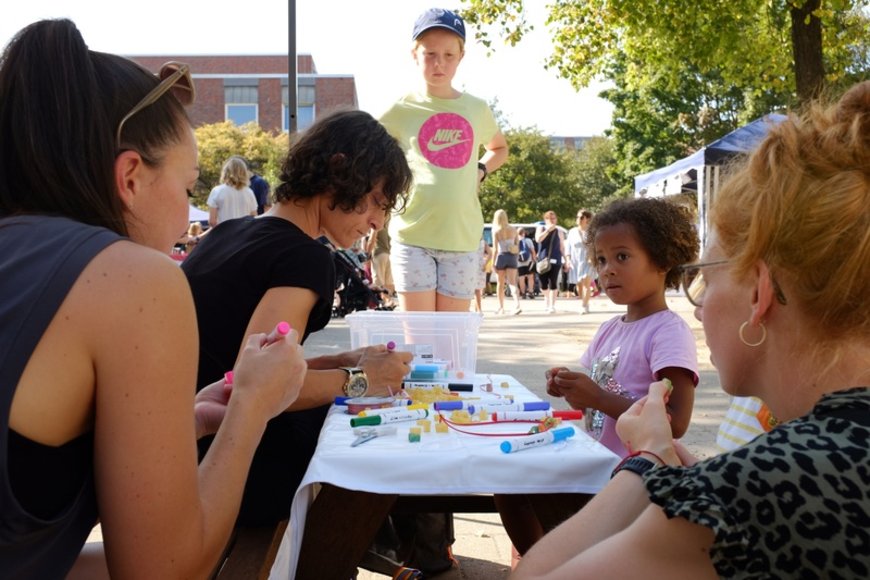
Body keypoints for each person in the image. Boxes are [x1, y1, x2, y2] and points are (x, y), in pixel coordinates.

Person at [513, 82, 870, 579]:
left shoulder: (764, 482)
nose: (698, 309)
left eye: (707, 278)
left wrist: (648, 463)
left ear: (759, 293)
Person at [0, 19, 305, 578]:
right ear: (131, 176)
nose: (188, 211)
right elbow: (164, 571)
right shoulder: (133, 279)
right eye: (188, 187)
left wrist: (178, 424)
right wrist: (251, 409)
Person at [182, 109, 414, 526]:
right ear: (339, 171)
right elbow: (251, 385)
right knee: (379, 435)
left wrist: (336, 362)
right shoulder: (304, 258)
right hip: (228, 466)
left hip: (182, 443)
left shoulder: (227, 233)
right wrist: (364, 380)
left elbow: (232, 360)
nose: (377, 220)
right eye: (376, 202)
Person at [547, 197, 699, 458]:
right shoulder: (608, 329)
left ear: (663, 261)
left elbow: (676, 423)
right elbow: (594, 412)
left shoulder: (668, 332)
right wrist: (572, 388)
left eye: (622, 257)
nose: (608, 270)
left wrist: (597, 398)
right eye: (602, 259)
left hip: (637, 478)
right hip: (598, 465)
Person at [380, 7, 509, 313]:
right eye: (430, 54)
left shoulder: (476, 108)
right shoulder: (401, 109)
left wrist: (481, 168)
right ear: (415, 54)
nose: (439, 63)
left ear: (461, 56)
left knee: (451, 340)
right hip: (412, 237)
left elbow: (499, 148)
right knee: (421, 340)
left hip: (462, 240)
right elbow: (369, 153)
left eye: (449, 55)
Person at [206, 156, 257, 226]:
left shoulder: (217, 191)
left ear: (225, 172)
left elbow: (212, 221)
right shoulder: (249, 192)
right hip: (244, 234)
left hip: (224, 234)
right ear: (244, 172)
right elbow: (254, 218)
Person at [534, 210, 566, 314]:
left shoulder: (559, 231)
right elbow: (538, 239)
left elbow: (562, 247)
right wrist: (547, 230)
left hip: (556, 259)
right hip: (542, 260)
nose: (552, 220)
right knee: (543, 284)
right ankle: (547, 298)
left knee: (553, 282)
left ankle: (552, 305)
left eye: (554, 218)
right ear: (545, 220)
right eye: (549, 218)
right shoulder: (541, 228)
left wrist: (566, 259)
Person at [492, 209, 522, 315]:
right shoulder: (513, 230)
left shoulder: (496, 231)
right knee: (512, 283)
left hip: (501, 257)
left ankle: (501, 308)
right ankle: (517, 304)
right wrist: (516, 257)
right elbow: (517, 245)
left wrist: (492, 263)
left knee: (500, 284)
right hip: (512, 257)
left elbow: (495, 249)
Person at [566, 209, 595, 314]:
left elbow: (595, 245)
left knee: (586, 282)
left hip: (588, 260)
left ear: (586, 219)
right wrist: (568, 260)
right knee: (579, 285)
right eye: (577, 217)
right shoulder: (572, 232)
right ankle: (585, 302)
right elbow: (568, 247)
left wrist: (593, 256)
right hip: (576, 260)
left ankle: (584, 305)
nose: (578, 219)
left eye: (581, 217)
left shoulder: (591, 231)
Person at [472, 236, 492, 313]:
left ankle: (478, 309)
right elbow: (490, 253)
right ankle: (477, 309)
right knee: (477, 289)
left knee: (474, 290)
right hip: (481, 265)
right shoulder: (483, 243)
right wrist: (485, 263)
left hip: (471, 264)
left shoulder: (470, 241)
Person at [516, 227, 537, 299]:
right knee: (530, 277)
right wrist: (534, 260)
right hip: (529, 262)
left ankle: (523, 293)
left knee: (521, 278)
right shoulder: (528, 240)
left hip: (519, 263)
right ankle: (531, 292)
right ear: (524, 233)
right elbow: (533, 251)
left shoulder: (515, 241)